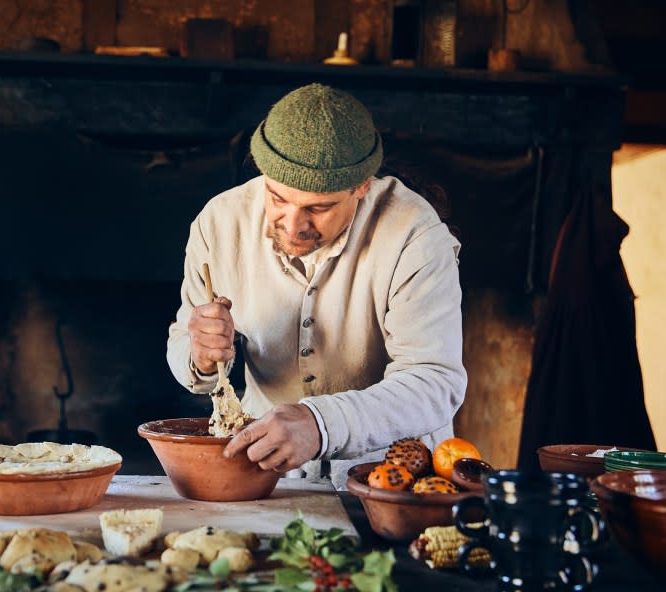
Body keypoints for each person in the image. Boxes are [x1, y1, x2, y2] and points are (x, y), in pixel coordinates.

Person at [166, 83, 466, 488]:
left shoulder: (414, 233)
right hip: (268, 474)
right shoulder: (220, 222)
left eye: (318, 207)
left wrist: (322, 423)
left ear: (361, 186)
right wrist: (199, 354)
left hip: (390, 478)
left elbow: (435, 381)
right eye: (277, 197)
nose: (293, 225)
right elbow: (186, 349)